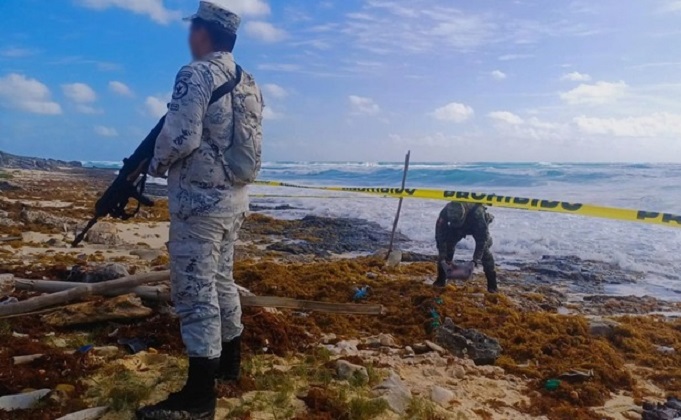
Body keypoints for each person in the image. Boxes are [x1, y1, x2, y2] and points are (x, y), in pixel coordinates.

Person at [137, 2, 263, 419]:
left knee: (195, 291)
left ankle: (198, 397)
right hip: (234, 200)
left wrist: (153, 166)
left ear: (203, 33)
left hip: (199, 202)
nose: (189, 36)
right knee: (222, 279)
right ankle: (229, 364)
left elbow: (181, 137)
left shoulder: (196, 73)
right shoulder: (248, 81)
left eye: (192, 29)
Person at [434, 202, 498, 292]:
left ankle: (492, 286)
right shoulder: (446, 211)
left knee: (485, 253)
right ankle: (440, 281)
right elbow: (440, 235)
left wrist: (474, 261)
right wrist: (443, 257)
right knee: (446, 249)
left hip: (475, 225)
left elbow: (482, 242)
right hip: (455, 228)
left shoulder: (478, 214)